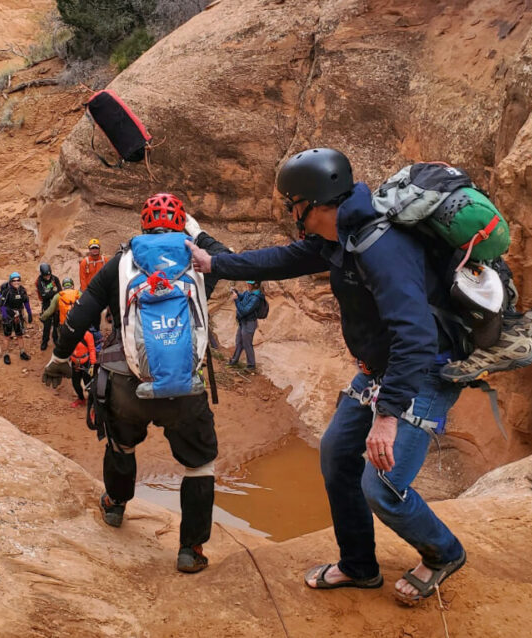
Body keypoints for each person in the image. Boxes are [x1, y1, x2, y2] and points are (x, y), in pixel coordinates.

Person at [187, 148, 469, 603]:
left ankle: (444, 553)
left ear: (312, 203)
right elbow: (282, 260)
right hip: (380, 370)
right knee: (337, 454)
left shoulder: (381, 248)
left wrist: (387, 416)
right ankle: (359, 566)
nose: (289, 212)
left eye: (292, 203)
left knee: (382, 485)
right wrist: (214, 263)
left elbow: (416, 337)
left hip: (424, 371)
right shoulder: (342, 238)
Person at [41, 193, 231, 573]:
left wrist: (60, 358)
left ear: (143, 225)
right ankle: (190, 549)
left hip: (127, 384)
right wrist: (196, 233)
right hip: (184, 389)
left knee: (121, 445)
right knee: (199, 465)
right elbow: (225, 257)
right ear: (182, 224)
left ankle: (115, 506)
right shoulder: (197, 260)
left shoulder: (121, 263)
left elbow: (81, 314)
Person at [0, 272, 33, 365]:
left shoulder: (22, 290)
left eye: (18, 280)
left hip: (19, 315)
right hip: (8, 315)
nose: (16, 282)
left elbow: (26, 302)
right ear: (10, 282)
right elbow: (2, 306)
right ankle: (6, 354)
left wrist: (29, 313)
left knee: (19, 335)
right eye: (14, 280)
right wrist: (6, 317)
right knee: (7, 336)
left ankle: (22, 352)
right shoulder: (7, 292)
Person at [228, 280, 263, 370]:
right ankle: (234, 360)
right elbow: (242, 296)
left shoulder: (256, 298)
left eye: (250, 283)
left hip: (249, 323)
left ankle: (251, 365)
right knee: (239, 341)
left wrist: (236, 300)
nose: (247, 284)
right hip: (243, 322)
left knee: (247, 344)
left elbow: (244, 311)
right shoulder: (249, 292)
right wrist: (236, 292)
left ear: (256, 285)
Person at [36, 263, 62, 351]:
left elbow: (60, 291)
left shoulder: (55, 279)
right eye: (45, 275)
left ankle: (55, 338)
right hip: (46, 304)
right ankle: (45, 341)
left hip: (56, 304)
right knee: (47, 325)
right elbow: (43, 295)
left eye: (49, 275)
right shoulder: (39, 281)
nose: (48, 277)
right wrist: (53, 292)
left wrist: (50, 293)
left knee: (56, 323)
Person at [68, 329, 97, 408]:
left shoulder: (88, 334)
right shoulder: (71, 332)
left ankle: (93, 403)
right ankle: (81, 398)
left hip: (85, 363)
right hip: (75, 363)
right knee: (75, 383)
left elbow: (92, 349)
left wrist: (93, 364)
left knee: (88, 383)